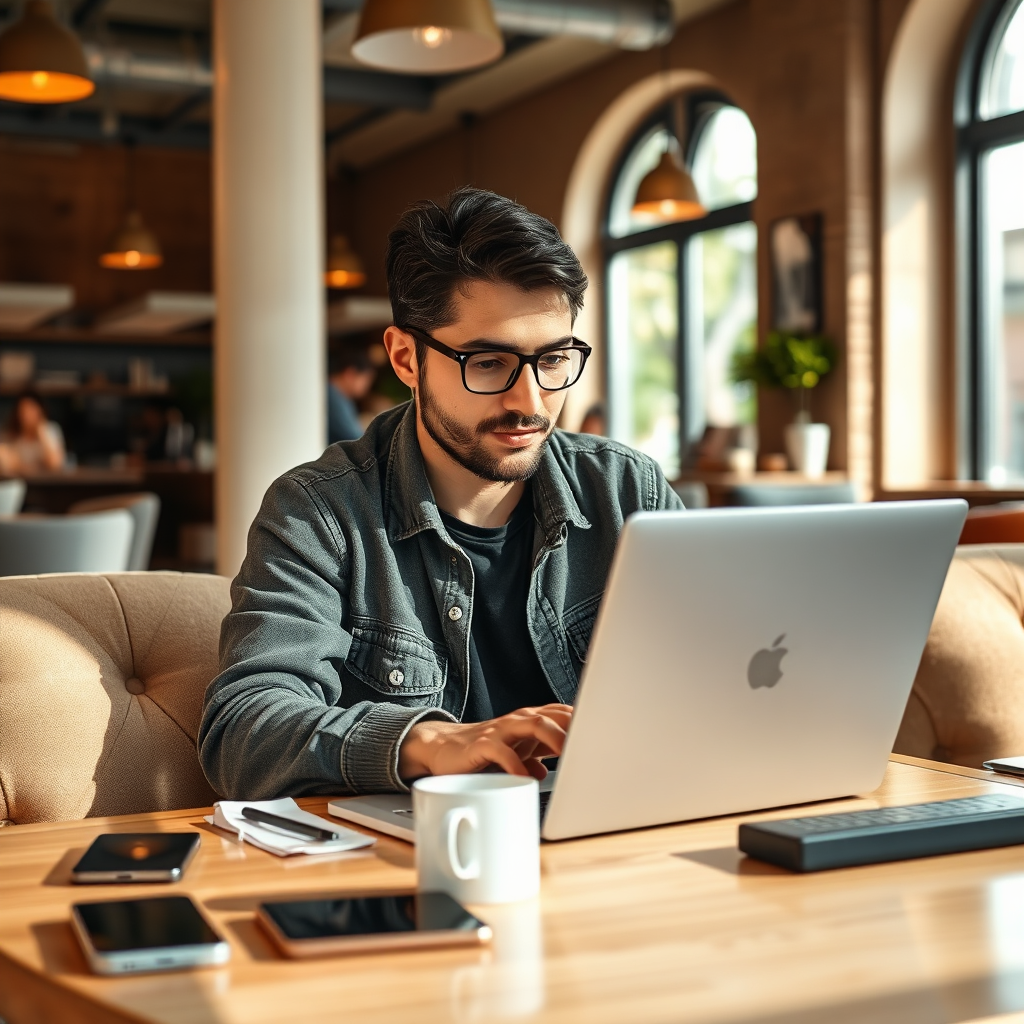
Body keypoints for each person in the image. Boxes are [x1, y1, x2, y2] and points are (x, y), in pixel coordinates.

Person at [199, 188, 682, 800]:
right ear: (406, 358)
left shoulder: (625, 491)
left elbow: (723, 668)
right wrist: (427, 743)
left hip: (621, 834)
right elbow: (244, 732)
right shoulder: (320, 513)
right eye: (487, 363)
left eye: (553, 359)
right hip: (429, 859)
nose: (530, 403)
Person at [0, 390, 65, 474]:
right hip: (22, 482)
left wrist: (42, 432)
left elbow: (55, 464)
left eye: (31, 409)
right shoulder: (15, 435)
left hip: (50, 483)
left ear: (40, 410)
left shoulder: (49, 429)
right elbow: (10, 464)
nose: (26, 415)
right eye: (23, 411)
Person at [327, 346, 378, 443]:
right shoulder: (334, 397)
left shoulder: (336, 395)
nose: (367, 387)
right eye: (366, 380)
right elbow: (357, 439)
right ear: (350, 374)